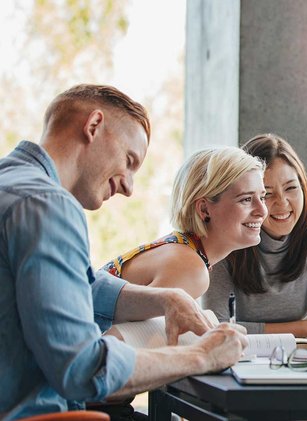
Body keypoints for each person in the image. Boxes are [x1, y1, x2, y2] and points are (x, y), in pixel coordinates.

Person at [0, 84, 249, 420]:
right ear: (93, 127)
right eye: (129, 161)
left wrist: (167, 299)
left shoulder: (13, 185)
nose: (129, 187)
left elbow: (81, 287)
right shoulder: (48, 205)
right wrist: (203, 356)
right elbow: (83, 368)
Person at [203, 133, 307, 336]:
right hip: (241, 357)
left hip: (304, 357)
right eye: (267, 194)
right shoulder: (226, 239)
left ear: (304, 188)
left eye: (291, 188)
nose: (282, 203)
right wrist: (304, 327)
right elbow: (215, 328)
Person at [102, 146, 268, 299]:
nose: (262, 211)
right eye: (246, 199)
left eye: (262, 197)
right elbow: (118, 331)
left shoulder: (185, 251)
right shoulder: (190, 269)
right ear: (204, 209)